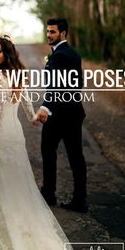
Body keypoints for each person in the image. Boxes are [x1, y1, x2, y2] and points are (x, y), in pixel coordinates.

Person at [0, 34, 105, 250]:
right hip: (15, 133)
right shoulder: (16, 75)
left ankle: (9, 236)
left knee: (5, 187)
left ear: (7, 53)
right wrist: (33, 118)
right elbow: (26, 104)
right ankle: (17, 229)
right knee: (18, 185)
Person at [36, 18, 88, 213]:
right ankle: (79, 199)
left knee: (48, 150)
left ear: (63, 33)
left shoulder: (58, 56)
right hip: (74, 111)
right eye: (48, 31)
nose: (49, 35)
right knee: (76, 156)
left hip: (59, 114)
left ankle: (49, 194)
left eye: (52, 32)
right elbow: (78, 83)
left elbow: (55, 86)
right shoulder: (72, 53)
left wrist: (46, 108)